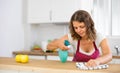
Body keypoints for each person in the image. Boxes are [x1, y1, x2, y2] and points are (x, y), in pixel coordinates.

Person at [47, 10, 112, 67]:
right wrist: (58, 44)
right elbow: (48, 46)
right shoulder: (73, 37)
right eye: (76, 28)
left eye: (81, 26)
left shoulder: (98, 36)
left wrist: (98, 61)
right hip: (76, 70)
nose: (78, 30)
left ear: (88, 25)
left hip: (93, 70)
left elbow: (108, 55)